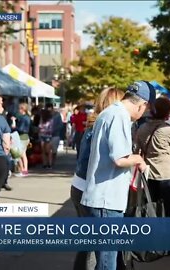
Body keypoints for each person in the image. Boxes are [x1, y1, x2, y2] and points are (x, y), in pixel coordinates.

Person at [80, 81, 155, 270]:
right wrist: (138, 159)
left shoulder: (110, 113)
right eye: (144, 110)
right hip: (107, 200)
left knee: (103, 260)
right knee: (107, 262)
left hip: (102, 198)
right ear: (142, 104)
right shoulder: (119, 115)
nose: (142, 115)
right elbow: (120, 159)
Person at [70, 88, 124, 270]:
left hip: (80, 185)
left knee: (88, 243)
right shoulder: (103, 126)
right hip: (90, 189)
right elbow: (113, 160)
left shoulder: (93, 125)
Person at [135, 97, 170, 217]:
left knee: (152, 206)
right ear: (168, 114)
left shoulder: (142, 128)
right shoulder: (166, 130)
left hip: (149, 173)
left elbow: (137, 149)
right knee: (167, 208)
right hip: (165, 174)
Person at [0, 93, 13, 191]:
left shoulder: (5, 112)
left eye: (1, 100)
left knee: (6, 160)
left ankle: (4, 181)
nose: (1, 102)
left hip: (5, 137)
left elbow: (8, 126)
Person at [11, 103, 31, 177]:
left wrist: (14, 126)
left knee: (19, 154)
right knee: (23, 154)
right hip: (25, 137)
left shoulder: (23, 118)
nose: (18, 110)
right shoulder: (26, 117)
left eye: (19, 109)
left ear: (23, 109)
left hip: (22, 136)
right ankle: (24, 170)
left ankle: (23, 170)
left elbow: (21, 129)